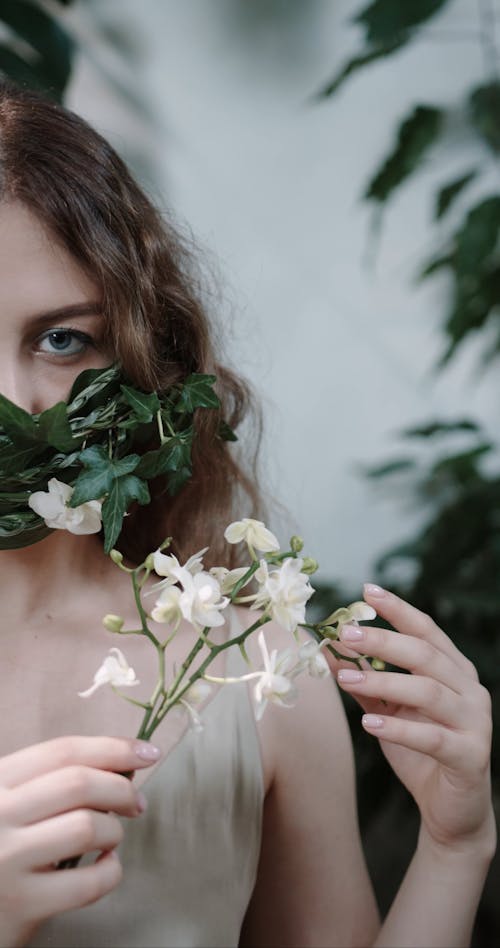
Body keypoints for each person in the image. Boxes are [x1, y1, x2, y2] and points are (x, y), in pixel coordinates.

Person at [0, 80, 494, 948]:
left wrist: (456, 847)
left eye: (62, 339)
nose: (11, 399)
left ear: (143, 352)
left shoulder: (252, 671)